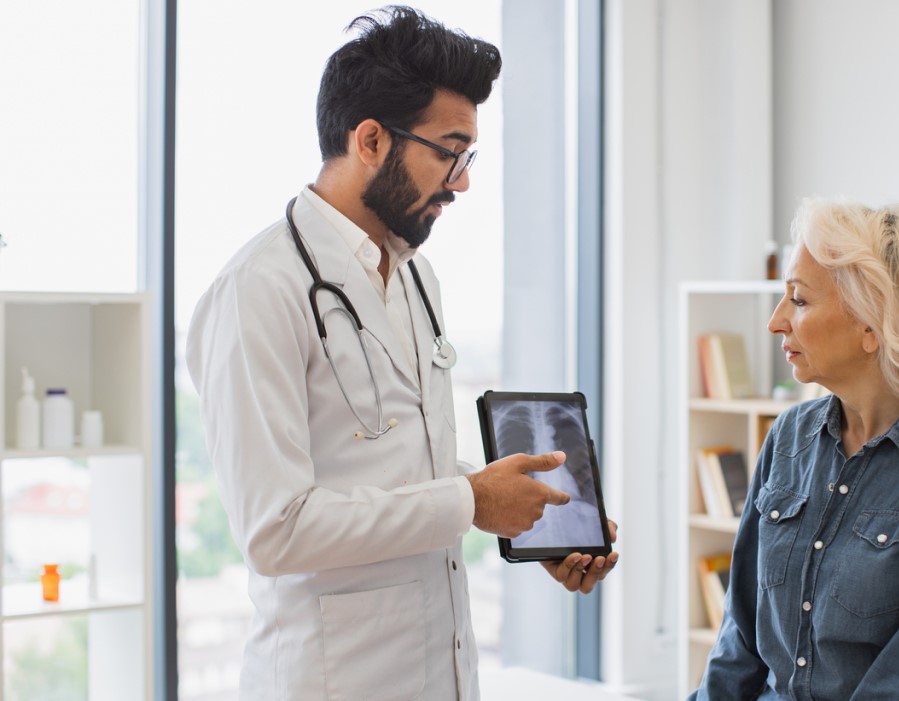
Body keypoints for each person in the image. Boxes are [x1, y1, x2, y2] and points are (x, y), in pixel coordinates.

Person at [185, 7, 617, 699]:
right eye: (449, 151)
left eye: (468, 155)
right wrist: (470, 499)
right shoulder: (257, 291)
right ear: (371, 140)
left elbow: (403, 469)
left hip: (440, 671)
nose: (463, 180)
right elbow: (276, 528)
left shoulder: (415, 276)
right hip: (331, 678)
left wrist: (526, 517)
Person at [689, 198, 899, 700]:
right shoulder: (787, 438)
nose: (777, 321)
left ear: (872, 324)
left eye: (799, 301)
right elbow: (741, 639)